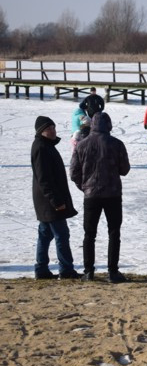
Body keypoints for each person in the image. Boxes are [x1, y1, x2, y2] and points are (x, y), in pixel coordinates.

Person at [70, 112, 131, 283]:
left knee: (89, 234)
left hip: (91, 195)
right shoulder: (117, 144)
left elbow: (74, 172)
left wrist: (85, 187)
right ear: (109, 125)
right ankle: (113, 272)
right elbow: (125, 169)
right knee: (114, 233)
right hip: (112, 194)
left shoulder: (81, 145)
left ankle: (89, 271)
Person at [31, 116, 81, 280]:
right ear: (41, 131)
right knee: (61, 234)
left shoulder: (46, 146)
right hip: (49, 202)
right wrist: (56, 201)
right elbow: (44, 179)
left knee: (45, 234)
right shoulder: (41, 148)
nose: (53, 131)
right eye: (49, 128)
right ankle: (66, 270)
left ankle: (41, 269)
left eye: (53, 127)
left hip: (47, 201)